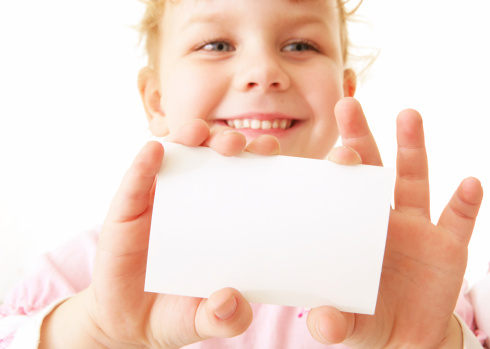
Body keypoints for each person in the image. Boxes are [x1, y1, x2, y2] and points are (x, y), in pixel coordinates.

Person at [0, 0, 487, 347]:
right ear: (155, 100)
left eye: (299, 44)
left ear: (345, 90)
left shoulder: (402, 277)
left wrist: (433, 343)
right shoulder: (94, 268)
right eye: (215, 44)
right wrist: (96, 332)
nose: (262, 69)